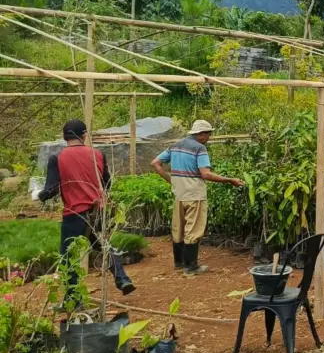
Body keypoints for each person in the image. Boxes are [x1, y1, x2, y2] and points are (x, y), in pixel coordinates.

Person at [34, 119, 135, 303]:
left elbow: (52, 189)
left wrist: (38, 195)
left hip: (75, 214)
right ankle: (122, 278)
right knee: (103, 245)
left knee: (68, 256)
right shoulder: (98, 154)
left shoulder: (57, 158)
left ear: (65, 137)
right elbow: (107, 184)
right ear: (83, 135)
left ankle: (73, 298)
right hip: (98, 211)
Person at [152, 120, 243, 276]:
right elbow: (206, 174)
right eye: (208, 134)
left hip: (179, 194)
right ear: (201, 134)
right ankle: (191, 267)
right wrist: (229, 180)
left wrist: (171, 180)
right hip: (194, 194)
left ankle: (179, 263)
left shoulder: (176, 145)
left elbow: (155, 163)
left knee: (178, 228)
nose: (209, 137)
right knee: (193, 229)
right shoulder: (199, 148)